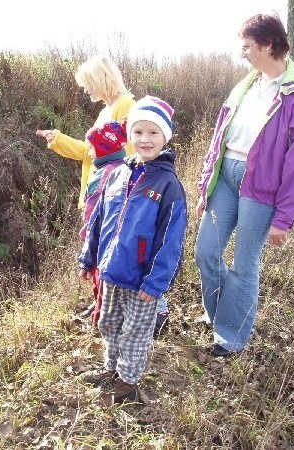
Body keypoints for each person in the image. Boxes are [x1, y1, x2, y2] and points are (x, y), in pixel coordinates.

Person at [194, 14, 294, 357]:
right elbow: (219, 137)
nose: (243, 53)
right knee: (206, 252)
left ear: (268, 45)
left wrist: (284, 219)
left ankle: (231, 337)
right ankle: (221, 313)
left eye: (247, 46)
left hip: (262, 188)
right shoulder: (246, 85)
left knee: (244, 265)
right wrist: (207, 184)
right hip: (227, 177)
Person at [36, 55, 170, 333]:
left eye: (87, 84)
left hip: (117, 195)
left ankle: (156, 309)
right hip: (99, 191)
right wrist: (58, 140)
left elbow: (133, 156)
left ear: (101, 79)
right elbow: (91, 152)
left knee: (130, 250)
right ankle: (103, 302)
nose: (85, 90)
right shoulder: (107, 109)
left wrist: (125, 198)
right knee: (101, 250)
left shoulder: (126, 107)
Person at [78, 96, 188, 404]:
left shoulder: (169, 186)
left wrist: (156, 284)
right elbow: (98, 219)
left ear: (165, 137)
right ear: (129, 136)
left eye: (153, 133)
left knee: (136, 332)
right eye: (138, 132)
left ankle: (128, 385)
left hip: (142, 281)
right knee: (109, 323)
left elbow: (171, 243)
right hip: (112, 272)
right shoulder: (117, 174)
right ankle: (112, 369)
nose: (145, 139)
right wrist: (89, 258)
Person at [82, 120, 129, 326]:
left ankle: (101, 322)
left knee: (100, 282)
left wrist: (86, 236)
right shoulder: (120, 168)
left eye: (91, 148)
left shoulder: (107, 175)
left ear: (103, 150)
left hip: (103, 240)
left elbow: (94, 211)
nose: (89, 153)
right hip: (112, 240)